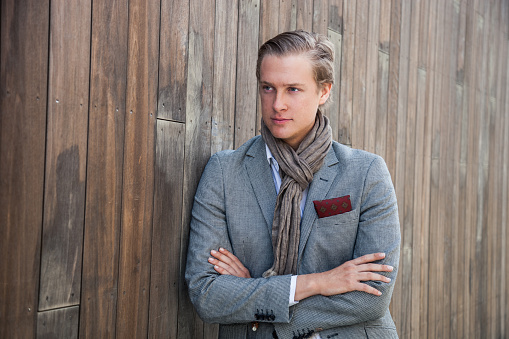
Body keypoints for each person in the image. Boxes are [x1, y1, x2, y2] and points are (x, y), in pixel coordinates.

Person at [185, 30, 400, 339]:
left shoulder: (366, 173)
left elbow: (372, 295)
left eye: (294, 89)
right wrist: (318, 282)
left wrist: (254, 297)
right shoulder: (224, 171)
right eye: (268, 88)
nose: (278, 104)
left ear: (323, 91)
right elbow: (206, 293)